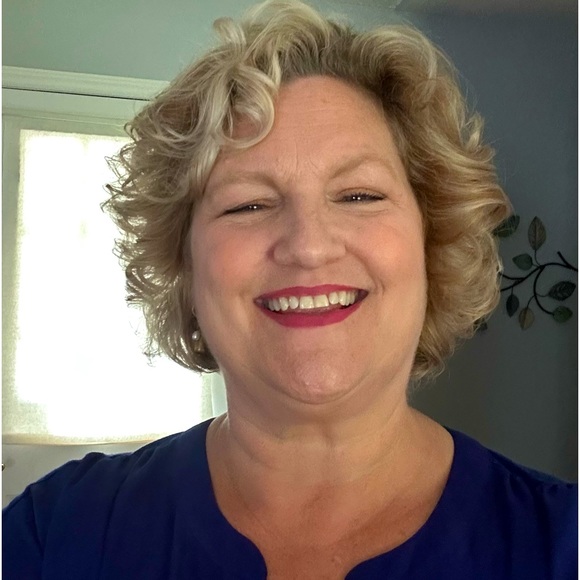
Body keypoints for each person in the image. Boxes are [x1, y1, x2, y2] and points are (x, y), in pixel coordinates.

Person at [3, 1, 577, 578]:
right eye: (248, 204)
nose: (308, 245)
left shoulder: (561, 544)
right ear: (185, 262)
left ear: (432, 241)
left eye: (359, 195)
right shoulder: (54, 533)